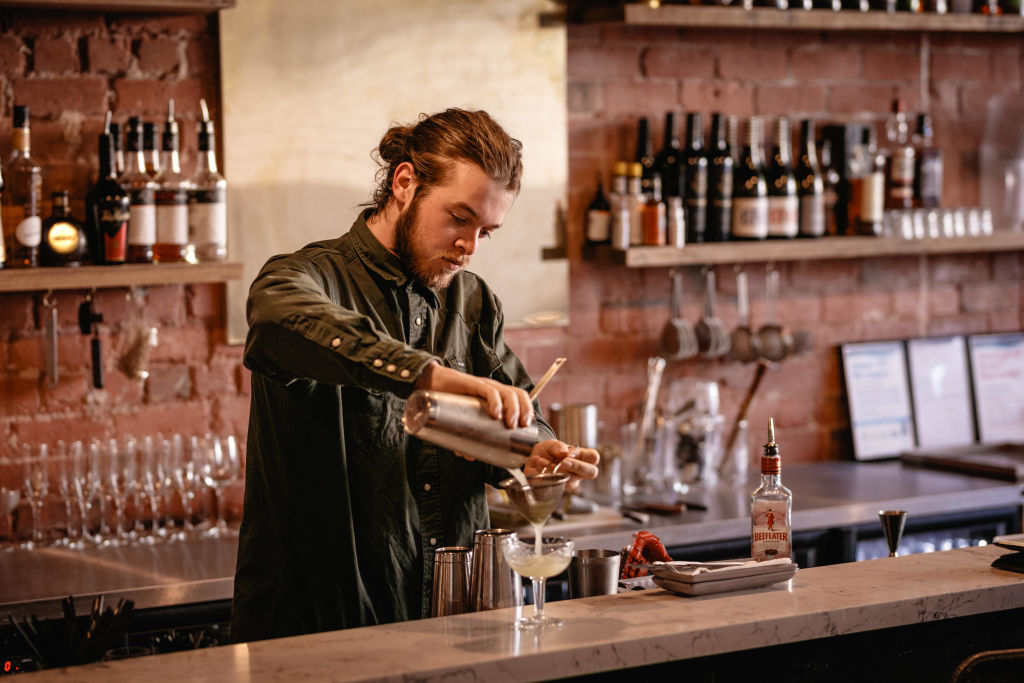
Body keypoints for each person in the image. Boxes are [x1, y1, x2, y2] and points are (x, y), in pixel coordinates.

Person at [231, 108, 600, 643]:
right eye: (458, 217)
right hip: (323, 629)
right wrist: (433, 376)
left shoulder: (473, 303)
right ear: (405, 183)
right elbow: (275, 318)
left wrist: (531, 451)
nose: (468, 247)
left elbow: (519, 416)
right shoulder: (308, 277)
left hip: (453, 620)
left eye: (485, 232)